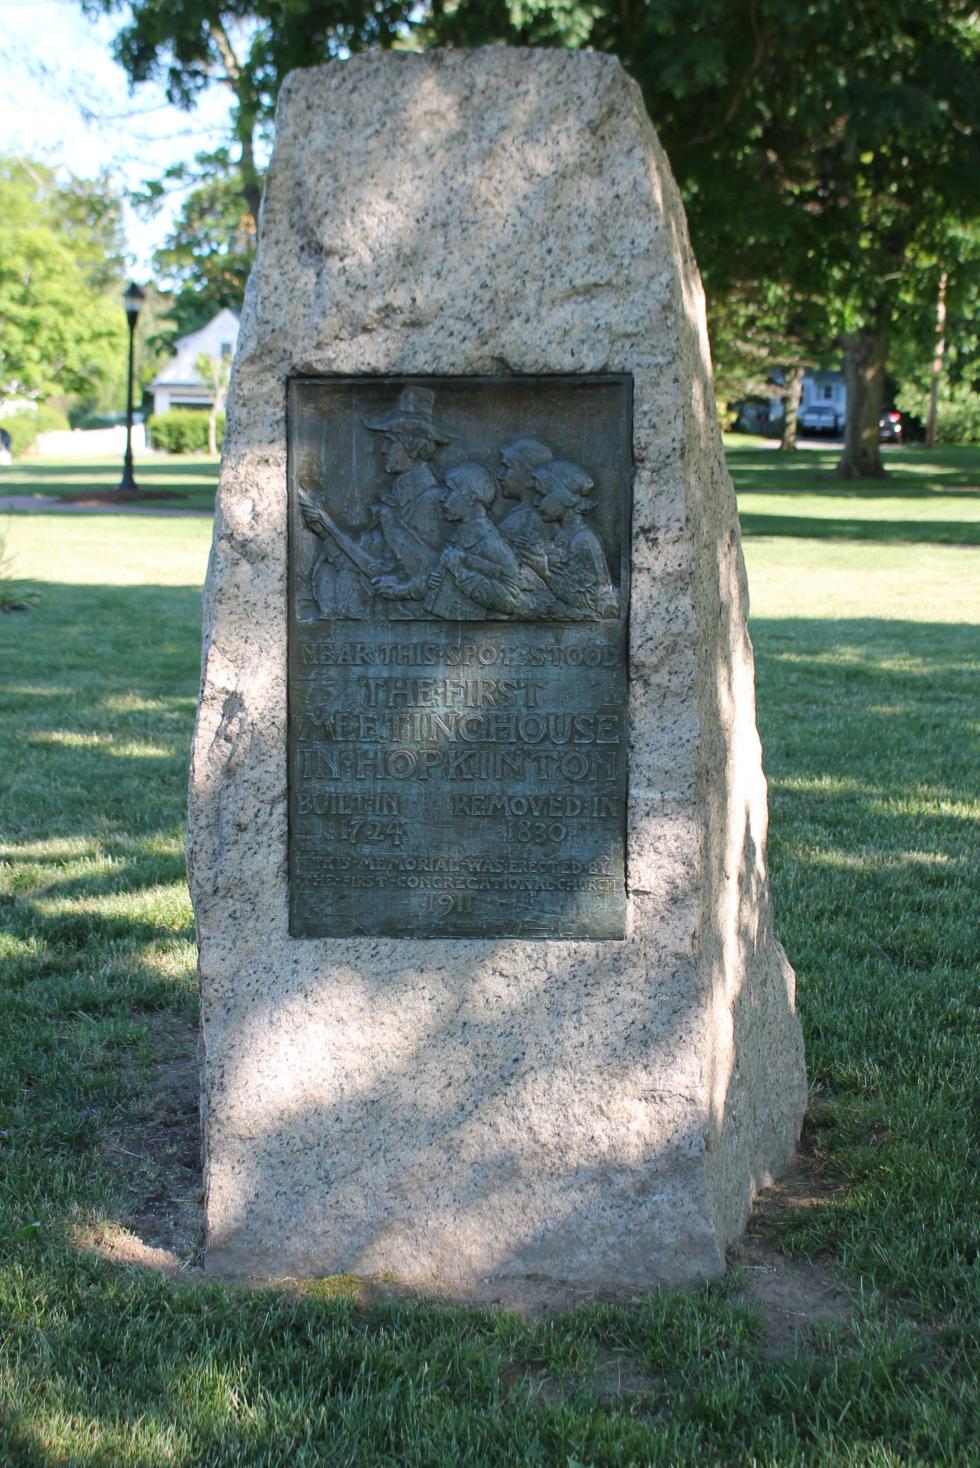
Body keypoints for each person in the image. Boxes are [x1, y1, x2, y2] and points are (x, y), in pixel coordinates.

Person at [374, 463, 521, 619]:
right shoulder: (460, 535)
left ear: (471, 497)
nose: (442, 497)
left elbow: (511, 600)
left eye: (450, 490)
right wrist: (403, 589)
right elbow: (437, 576)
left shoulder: (492, 544)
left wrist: (460, 571)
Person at [531, 460, 619, 620]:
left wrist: (544, 573)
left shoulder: (583, 541)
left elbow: (596, 602)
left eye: (543, 495)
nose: (536, 502)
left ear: (563, 497)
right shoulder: (564, 535)